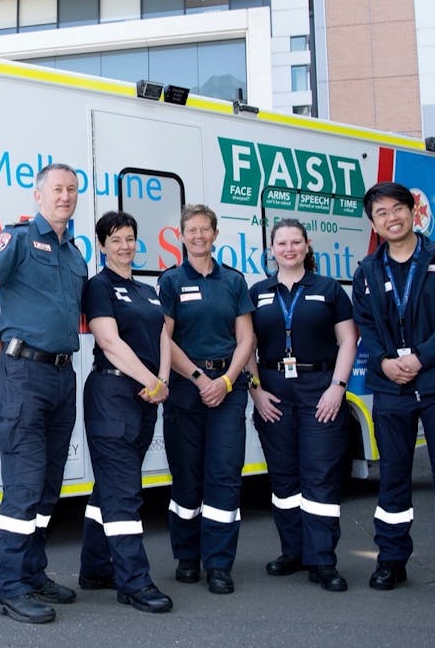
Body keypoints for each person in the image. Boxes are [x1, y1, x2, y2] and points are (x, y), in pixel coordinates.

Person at [0, 162, 88, 624]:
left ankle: (33, 573)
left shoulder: (76, 254)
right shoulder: (15, 239)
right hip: (24, 376)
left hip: (62, 376)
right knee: (24, 481)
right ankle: (9, 587)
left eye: (72, 190)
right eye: (57, 189)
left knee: (49, 485)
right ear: (39, 196)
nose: (65, 196)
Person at [352, 181, 435, 602]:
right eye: (381, 213)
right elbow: (366, 326)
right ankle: (391, 560)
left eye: (397, 209)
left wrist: (421, 358)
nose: (390, 218)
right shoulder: (367, 271)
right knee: (392, 475)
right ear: (372, 223)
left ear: (413, 212)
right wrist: (386, 362)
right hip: (391, 385)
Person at [245, 219, 356, 592]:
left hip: (319, 389)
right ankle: (293, 551)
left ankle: (323, 560)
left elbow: (348, 341)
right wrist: (255, 390)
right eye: (281, 243)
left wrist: (338, 387)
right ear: (271, 249)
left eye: (296, 242)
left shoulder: (329, 290)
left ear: (307, 246)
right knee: (283, 477)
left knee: (320, 476)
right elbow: (246, 347)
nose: (288, 249)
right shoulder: (257, 292)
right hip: (273, 390)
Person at [77, 211, 173, 614]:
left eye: (130, 238)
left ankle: (96, 569)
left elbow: (165, 335)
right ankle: (134, 582)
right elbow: (109, 342)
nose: (124, 245)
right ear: (102, 245)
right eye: (115, 239)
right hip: (112, 392)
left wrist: (162, 381)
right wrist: (152, 381)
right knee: (124, 492)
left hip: (146, 395)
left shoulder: (149, 291)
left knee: (111, 487)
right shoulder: (98, 286)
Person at [157, 203, 255, 595]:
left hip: (228, 389)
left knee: (224, 475)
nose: (198, 236)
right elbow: (164, 338)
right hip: (186, 387)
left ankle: (218, 563)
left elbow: (246, 338)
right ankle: (187, 557)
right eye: (191, 230)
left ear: (215, 234)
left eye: (205, 229)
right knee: (187, 473)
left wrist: (227, 381)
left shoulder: (233, 281)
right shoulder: (170, 281)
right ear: (181, 236)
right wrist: (200, 379)